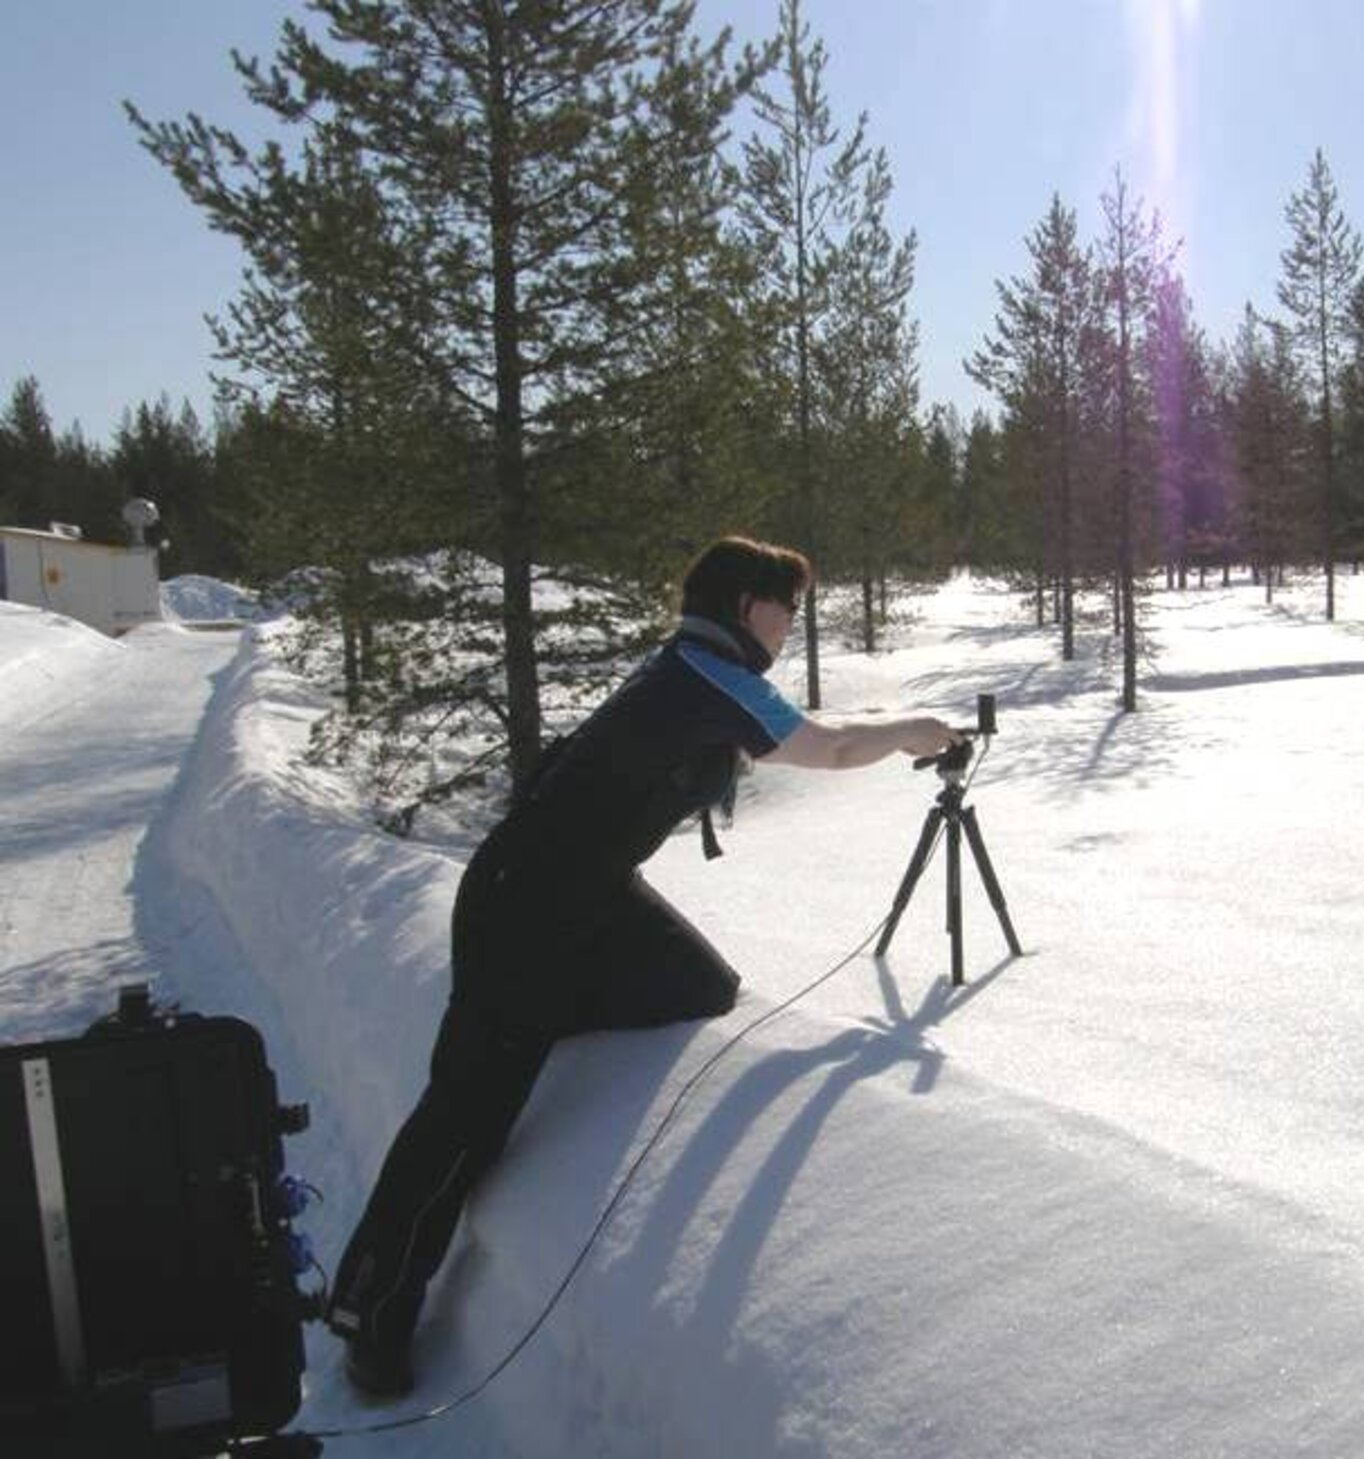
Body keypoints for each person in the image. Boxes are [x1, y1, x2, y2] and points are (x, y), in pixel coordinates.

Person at [325, 536, 955, 1397]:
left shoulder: (690, 666)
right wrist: (914, 728)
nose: (792, 620)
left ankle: (544, 1015)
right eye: (787, 604)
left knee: (701, 987)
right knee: (467, 1111)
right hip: (526, 903)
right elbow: (831, 745)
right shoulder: (707, 675)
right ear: (746, 607)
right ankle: (371, 1310)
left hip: (581, 893)